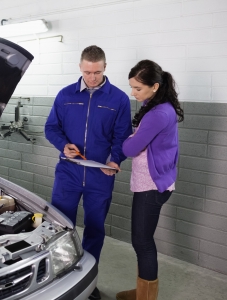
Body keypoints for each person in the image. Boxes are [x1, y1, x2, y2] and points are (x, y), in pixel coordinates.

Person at [45, 45, 132, 300]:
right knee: (61, 226)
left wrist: (115, 160)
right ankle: (56, 279)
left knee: (94, 229)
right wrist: (63, 145)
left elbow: (122, 136)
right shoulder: (64, 95)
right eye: (87, 72)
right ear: (80, 68)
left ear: (105, 67)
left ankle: (88, 283)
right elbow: (51, 128)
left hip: (100, 176)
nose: (92, 78)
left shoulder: (118, 99)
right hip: (68, 173)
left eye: (96, 72)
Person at [116, 60, 184, 300]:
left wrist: (128, 139)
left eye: (138, 88)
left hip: (151, 186)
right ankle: (142, 291)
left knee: (142, 242)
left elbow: (131, 148)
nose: (133, 93)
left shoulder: (157, 114)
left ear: (154, 86)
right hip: (156, 182)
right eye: (131, 87)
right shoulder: (157, 105)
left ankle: (145, 297)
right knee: (142, 241)